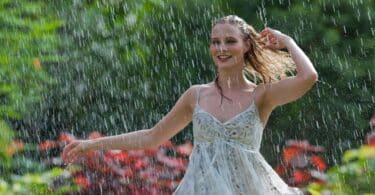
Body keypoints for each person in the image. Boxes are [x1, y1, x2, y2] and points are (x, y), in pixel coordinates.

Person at [63, 15, 318, 194]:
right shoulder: (195, 95)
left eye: (230, 41)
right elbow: (151, 137)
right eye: (215, 41)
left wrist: (286, 40)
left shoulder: (261, 96)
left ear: (246, 45)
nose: (221, 48)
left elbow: (308, 77)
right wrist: (91, 145)